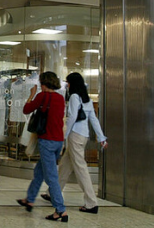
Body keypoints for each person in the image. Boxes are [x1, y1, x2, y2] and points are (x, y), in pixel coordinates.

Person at [41, 72, 108, 214]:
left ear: (72, 84)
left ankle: (91, 203)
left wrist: (64, 135)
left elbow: (72, 117)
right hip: (83, 136)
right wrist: (101, 137)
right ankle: (52, 193)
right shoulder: (86, 99)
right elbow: (94, 119)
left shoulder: (74, 97)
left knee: (80, 168)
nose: (67, 85)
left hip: (75, 136)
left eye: (68, 82)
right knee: (65, 165)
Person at [16, 71, 68, 222]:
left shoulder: (42, 96)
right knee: (40, 171)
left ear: (43, 83)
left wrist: (32, 94)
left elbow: (26, 110)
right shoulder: (60, 98)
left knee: (51, 177)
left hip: (46, 141)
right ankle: (30, 199)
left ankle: (60, 210)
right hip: (59, 141)